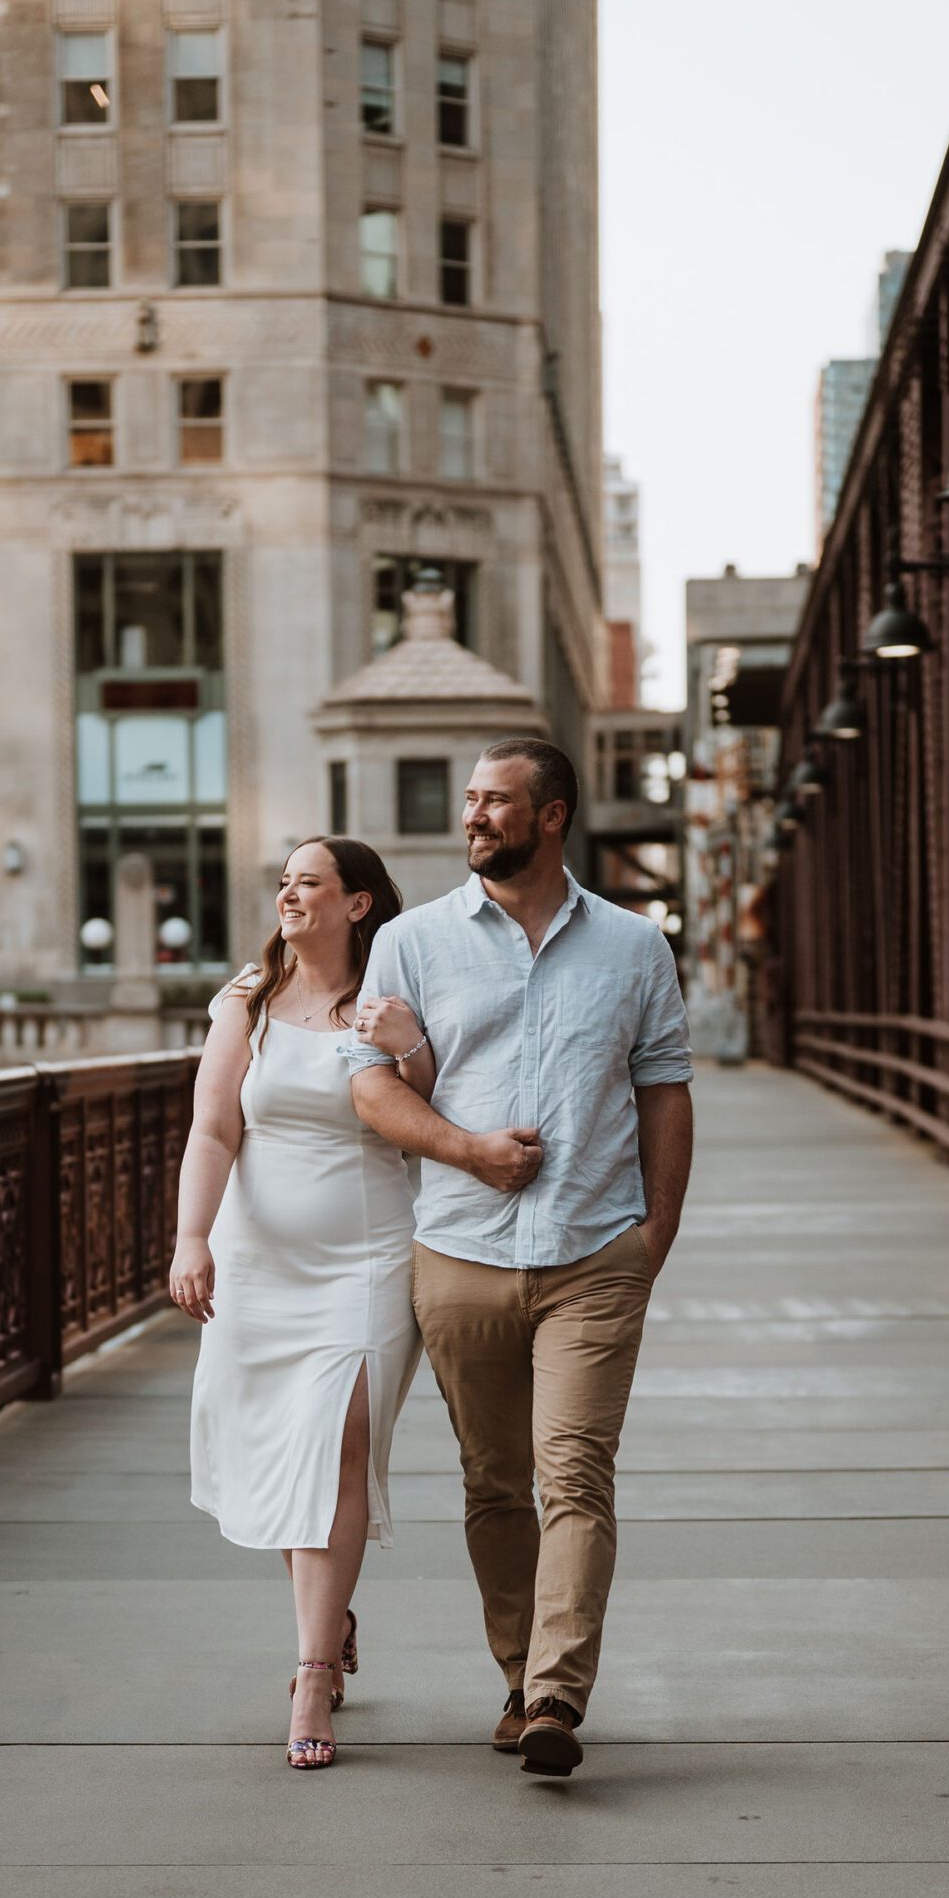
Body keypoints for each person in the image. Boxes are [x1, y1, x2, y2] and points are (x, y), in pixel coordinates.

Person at [345, 737, 695, 1778]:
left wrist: (655, 1232)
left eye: (496, 802)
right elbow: (370, 1086)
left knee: (573, 1474)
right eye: (469, 800)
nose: (474, 817)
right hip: (458, 1252)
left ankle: (554, 1692)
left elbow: (664, 1087)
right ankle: (514, 1671)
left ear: (551, 816)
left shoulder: (634, 947)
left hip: (594, 1251)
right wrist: (464, 1150)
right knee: (494, 1483)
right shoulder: (409, 942)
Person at [171, 839, 429, 1771]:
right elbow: (211, 1128)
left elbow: (436, 1117)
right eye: (282, 882)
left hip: (366, 1256)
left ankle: (311, 1670)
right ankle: (334, 1612)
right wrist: (190, 1239)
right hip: (259, 1260)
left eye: (307, 881)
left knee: (339, 1445)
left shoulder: (391, 1002)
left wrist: (414, 1049)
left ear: (357, 904)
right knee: (286, 1456)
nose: (287, 893)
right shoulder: (246, 1001)